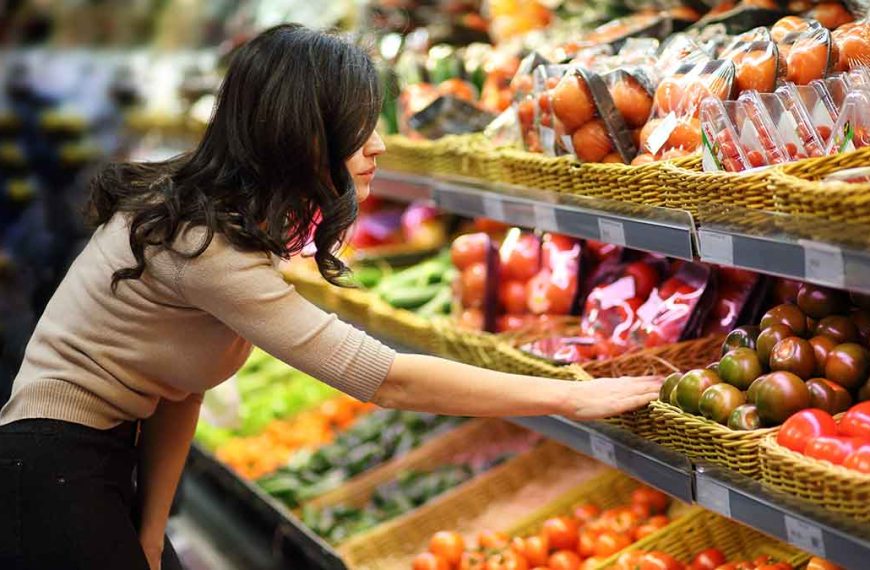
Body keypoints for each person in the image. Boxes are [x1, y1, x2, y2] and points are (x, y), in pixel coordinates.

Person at [0, 24, 662, 570]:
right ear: (301, 132)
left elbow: (178, 386)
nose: (377, 144)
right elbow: (384, 378)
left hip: (100, 453)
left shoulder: (229, 222)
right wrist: (567, 395)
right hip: (55, 463)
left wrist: (151, 531)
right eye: (359, 126)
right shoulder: (204, 244)